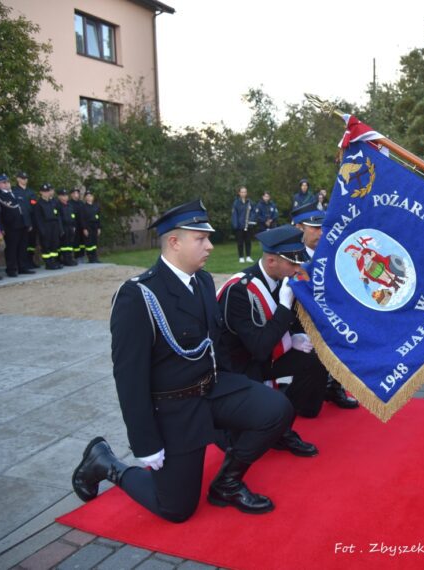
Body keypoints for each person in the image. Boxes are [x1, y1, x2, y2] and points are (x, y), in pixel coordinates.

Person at [72, 200, 293, 521]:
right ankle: (106, 463)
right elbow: (130, 379)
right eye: (200, 239)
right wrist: (145, 442)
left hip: (213, 389)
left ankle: (227, 484)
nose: (210, 246)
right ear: (174, 242)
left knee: (276, 410)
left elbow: (214, 345)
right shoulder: (138, 296)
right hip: (175, 408)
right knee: (176, 509)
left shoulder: (201, 281)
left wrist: (241, 394)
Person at [217, 225, 328, 457]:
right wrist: (285, 306)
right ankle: (271, 424)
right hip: (240, 367)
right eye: (292, 263)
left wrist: (294, 335)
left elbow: (289, 324)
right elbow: (258, 347)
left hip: (267, 356)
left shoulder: (281, 277)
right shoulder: (240, 290)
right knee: (247, 432)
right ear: (271, 262)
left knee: (316, 358)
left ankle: (284, 425)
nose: (297, 269)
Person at [291, 203, 359, 409]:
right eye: (314, 228)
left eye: (323, 227)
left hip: (331, 315)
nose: (321, 233)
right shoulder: (292, 257)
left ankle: (335, 385)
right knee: (309, 408)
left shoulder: (331, 253)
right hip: (298, 321)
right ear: (299, 228)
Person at [0, 174, 27, 277]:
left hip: (21, 224)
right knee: (11, 249)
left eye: (7, 182)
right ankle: (11, 269)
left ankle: (22, 267)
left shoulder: (15, 193)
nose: (7, 184)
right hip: (10, 226)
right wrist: (1, 228)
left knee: (22, 247)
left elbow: (23, 209)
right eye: (4, 182)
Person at [13, 172, 39, 269]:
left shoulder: (31, 192)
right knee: (23, 244)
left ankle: (30, 260)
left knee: (31, 243)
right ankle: (21, 263)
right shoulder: (14, 191)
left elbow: (34, 205)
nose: (25, 180)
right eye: (23, 178)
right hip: (21, 221)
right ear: (18, 179)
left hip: (32, 220)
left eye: (26, 178)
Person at [33, 183, 62, 270]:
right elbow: (38, 219)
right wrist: (42, 230)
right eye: (44, 191)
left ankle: (54, 262)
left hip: (54, 225)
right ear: (41, 192)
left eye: (48, 191)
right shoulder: (39, 204)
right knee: (46, 245)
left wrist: (59, 228)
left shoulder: (52, 202)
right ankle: (48, 263)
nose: (46, 193)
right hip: (45, 226)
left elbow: (57, 215)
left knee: (54, 244)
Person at [230, 186, 254, 263]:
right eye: (242, 192)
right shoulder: (236, 202)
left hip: (248, 225)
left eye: (245, 192)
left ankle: (248, 256)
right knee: (240, 242)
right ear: (239, 193)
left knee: (248, 241)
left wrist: (251, 221)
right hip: (239, 226)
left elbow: (254, 213)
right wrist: (235, 225)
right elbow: (234, 214)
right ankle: (241, 257)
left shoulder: (250, 202)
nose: (244, 193)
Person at [56, 189, 78, 267]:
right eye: (63, 196)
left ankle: (69, 258)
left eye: (66, 195)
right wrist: (61, 229)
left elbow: (73, 216)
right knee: (64, 245)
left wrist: (74, 226)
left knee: (69, 244)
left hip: (70, 227)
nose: (65, 197)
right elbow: (58, 219)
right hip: (64, 227)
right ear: (59, 196)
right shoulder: (58, 205)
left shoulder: (69, 205)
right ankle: (65, 259)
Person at [80, 190, 101, 263]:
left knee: (94, 242)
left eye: (90, 196)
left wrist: (99, 227)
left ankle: (95, 257)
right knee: (89, 243)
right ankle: (90, 258)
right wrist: (84, 228)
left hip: (95, 226)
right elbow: (82, 219)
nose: (89, 197)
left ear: (93, 197)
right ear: (85, 198)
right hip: (88, 227)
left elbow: (98, 217)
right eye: (87, 196)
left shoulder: (95, 206)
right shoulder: (83, 207)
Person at [69, 188, 85, 262]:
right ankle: (77, 257)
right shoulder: (69, 203)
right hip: (74, 226)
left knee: (82, 242)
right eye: (74, 193)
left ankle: (82, 256)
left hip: (81, 225)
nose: (76, 195)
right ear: (71, 194)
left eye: (77, 193)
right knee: (76, 242)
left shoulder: (81, 203)